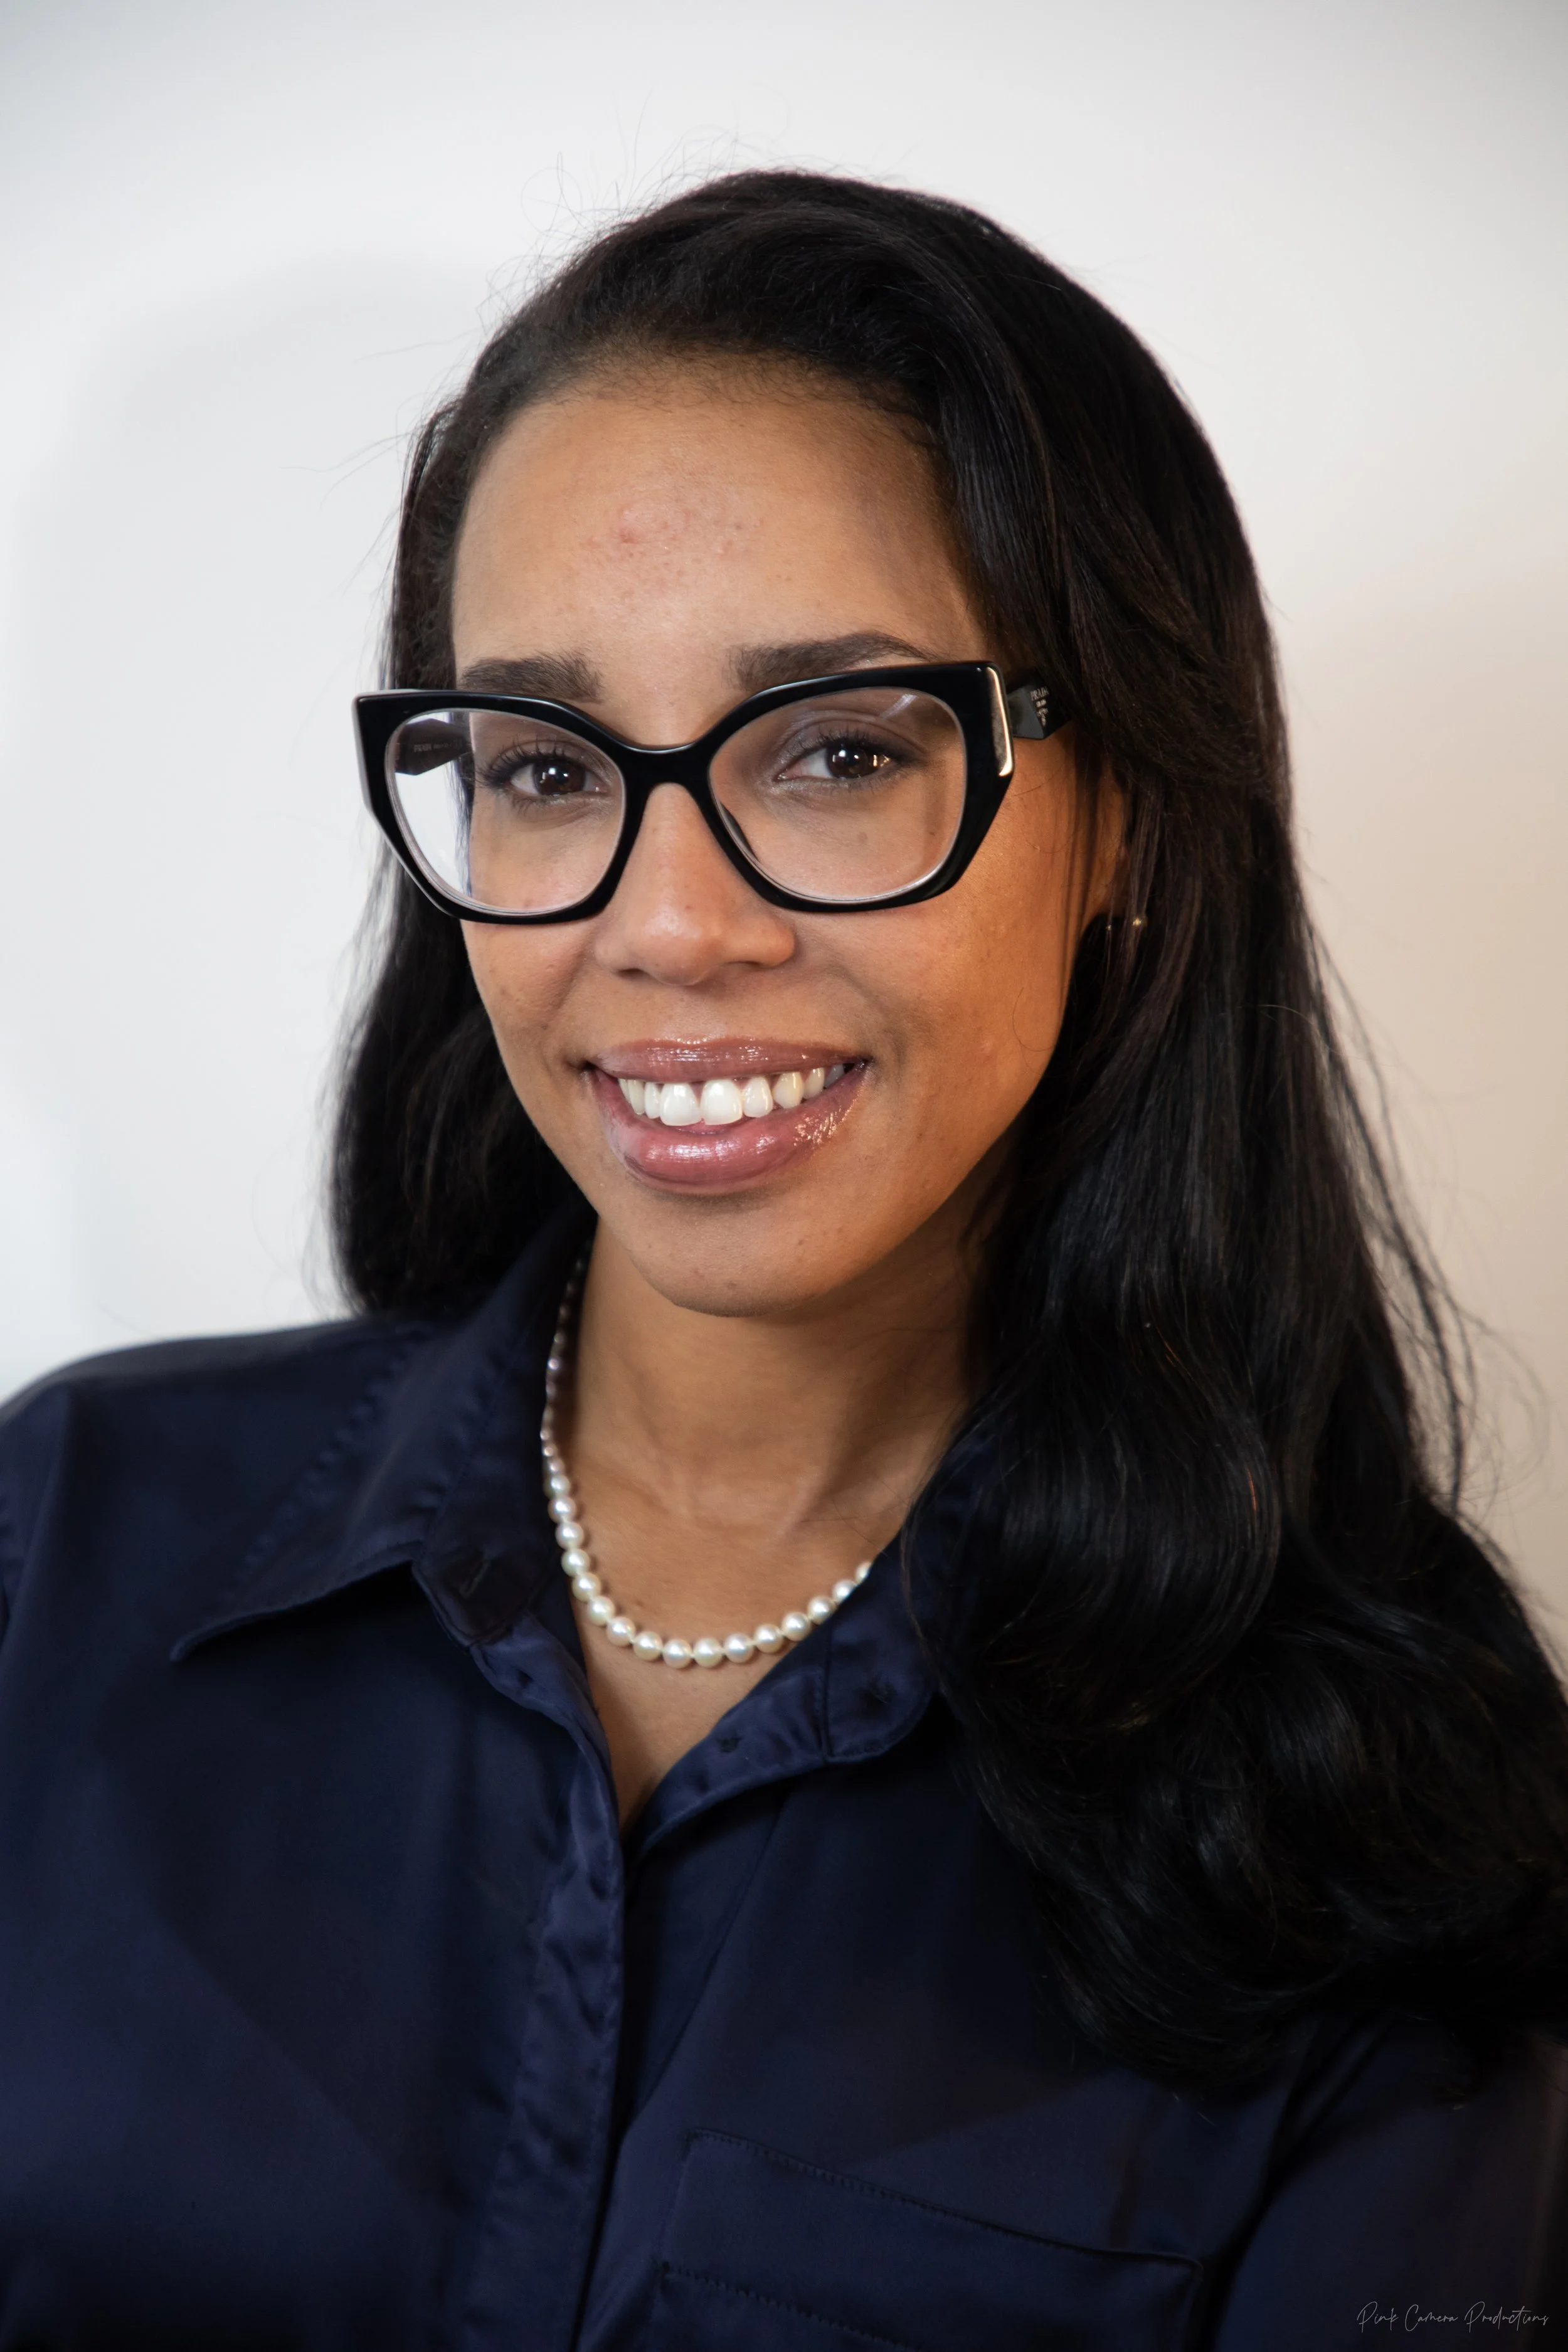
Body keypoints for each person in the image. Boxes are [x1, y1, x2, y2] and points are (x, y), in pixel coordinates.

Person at [0, 171, 1563, 2349]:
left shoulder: (1380, 1784)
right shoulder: (56, 1540)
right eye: (546, 765)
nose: (664, 922)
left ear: (1121, 812)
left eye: (836, 750)